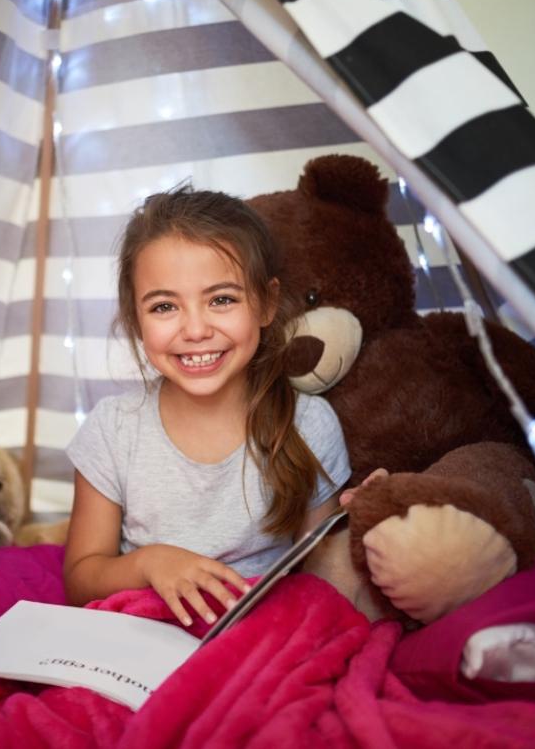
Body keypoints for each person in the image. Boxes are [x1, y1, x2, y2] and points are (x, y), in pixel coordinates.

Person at [63, 186, 352, 628]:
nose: (195, 330)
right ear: (137, 320)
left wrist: (364, 522)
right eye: (164, 306)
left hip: (258, 634)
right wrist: (149, 563)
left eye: (222, 299)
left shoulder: (309, 423)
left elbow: (322, 575)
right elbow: (81, 578)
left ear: (266, 304)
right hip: (145, 635)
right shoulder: (112, 430)